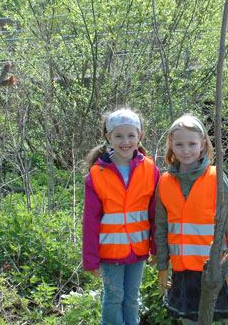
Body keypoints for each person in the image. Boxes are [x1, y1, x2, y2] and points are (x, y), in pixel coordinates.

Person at [155, 115, 228, 325]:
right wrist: (163, 265)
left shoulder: (216, 177)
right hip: (183, 270)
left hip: (217, 266)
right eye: (179, 144)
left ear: (203, 144)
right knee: (188, 319)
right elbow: (160, 227)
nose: (185, 150)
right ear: (171, 145)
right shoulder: (164, 182)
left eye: (192, 144)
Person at [82, 108, 160, 325]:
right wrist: (90, 259)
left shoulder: (150, 168)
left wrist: (156, 248)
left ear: (139, 137)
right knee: (114, 297)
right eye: (118, 135)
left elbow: (155, 214)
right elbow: (90, 221)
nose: (125, 141)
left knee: (132, 298)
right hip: (110, 251)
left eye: (131, 135)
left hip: (138, 248)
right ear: (109, 138)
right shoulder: (98, 174)